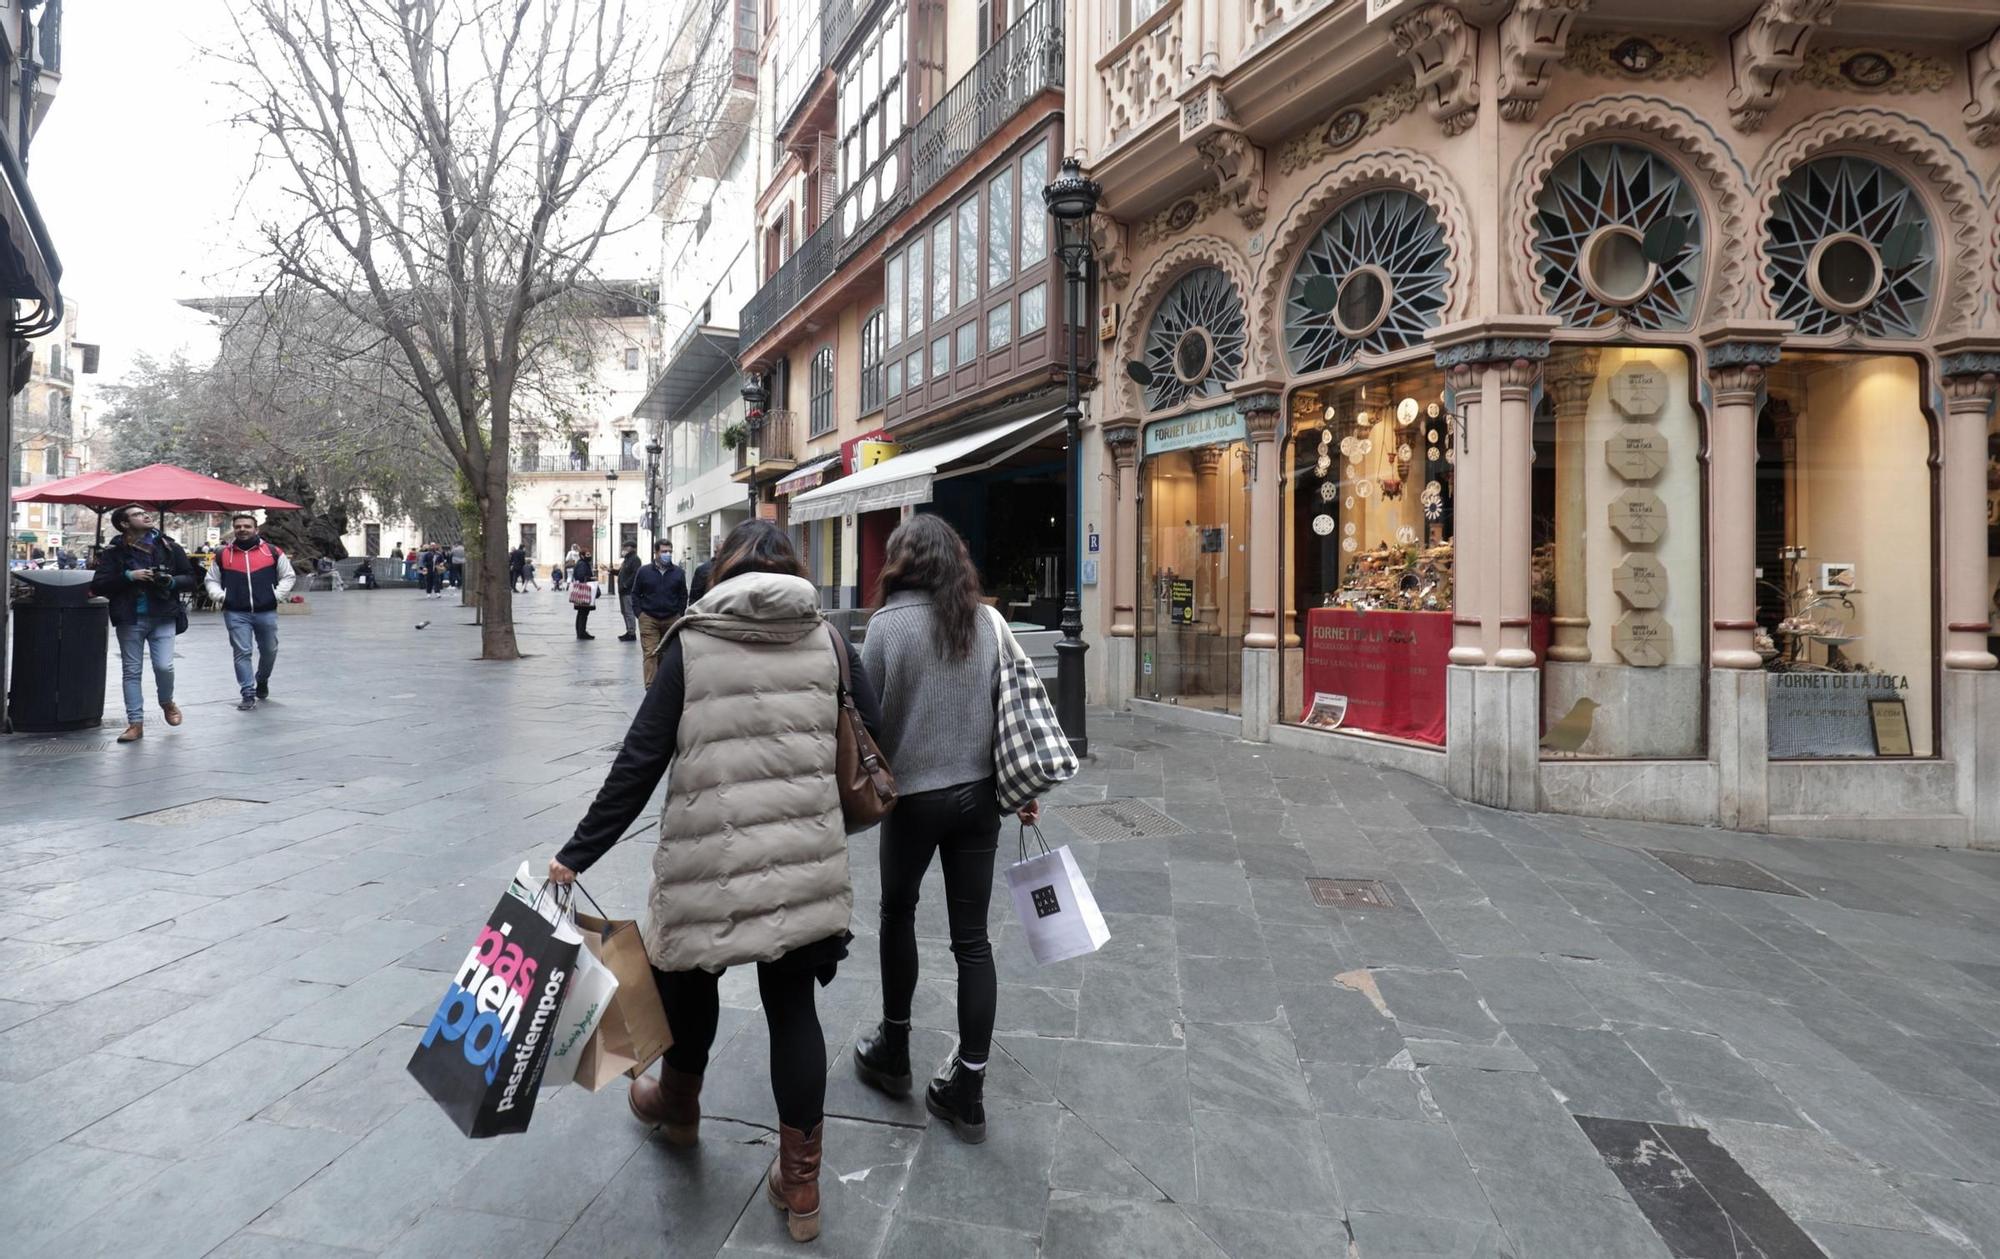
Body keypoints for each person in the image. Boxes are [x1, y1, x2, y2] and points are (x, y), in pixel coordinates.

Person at [547, 521, 880, 1244]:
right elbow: (872, 736)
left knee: (689, 979)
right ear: (794, 569)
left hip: (707, 863)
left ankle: (678, 1105)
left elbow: (637, 764)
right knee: (794, 1008)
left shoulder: (690, 644)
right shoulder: (830, 640)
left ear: (720, 572)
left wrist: (577, 852)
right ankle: (801, 1185)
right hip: (803, 860)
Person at [854, 514, 1036, 1145]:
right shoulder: (986, 622)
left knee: (897, 914)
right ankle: (969, 1091)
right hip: (978, 799)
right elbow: (1009, 707)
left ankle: (894, 1049)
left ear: (903, 561)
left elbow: (867, 725)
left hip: (911, 801)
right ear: (956, 561)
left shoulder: (885, 627)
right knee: (973, 943)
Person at [90, 505, 196, 744]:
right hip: (130, 617)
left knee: (164, 666)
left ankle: (166, 701)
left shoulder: (169, 547)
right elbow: (98, 585)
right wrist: (129, 577)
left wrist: (170, 582)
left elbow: (190, 578)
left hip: (163, 615)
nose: (146, 515)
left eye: (146, 512)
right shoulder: (114, 552)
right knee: (132, 671)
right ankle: (135, 723)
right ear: (124, 524)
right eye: (137, 514)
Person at [205, 512, 298, 710]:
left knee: (269, 650)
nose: (242, 529)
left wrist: (276, 595)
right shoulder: (223, 554)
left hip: (266, 611)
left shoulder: (272, 552)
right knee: (242, 652)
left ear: (256, 529)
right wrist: (221, 596)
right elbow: (211, 579)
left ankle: (262, 679)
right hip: (235, 612)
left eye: (247, 526)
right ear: (234, 529)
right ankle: (248, 693)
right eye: (238, 526)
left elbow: (288, 576)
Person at [631, 538, 688, 687]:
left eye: (669, 551)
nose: (667, 554)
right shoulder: (644, 571)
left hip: (671, 618)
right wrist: (640, 614)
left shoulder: (678, 572)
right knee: (651, 653)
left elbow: (683, 594)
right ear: (656, 552)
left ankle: (664, 686)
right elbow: (635, 593)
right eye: (663, 551)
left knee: (668, 654)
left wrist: (679, 614)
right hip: (649, 618)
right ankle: (651, 687)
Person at [614, 540, 642, 642]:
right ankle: (628, 631)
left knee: (629, 612)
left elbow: (635, 575)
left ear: (633, 548)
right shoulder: (627, 559)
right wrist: (612, 571)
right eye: (624, 547)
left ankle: (631, 633)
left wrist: (626, 585)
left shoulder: (635, 559)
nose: (624, 549)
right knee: (624, 612)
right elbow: (623, 572)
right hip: (622, 590)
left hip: (628, 591)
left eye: (626, 547)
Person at [570, 549, 597, 639]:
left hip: (581, 591)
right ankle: (581, 633)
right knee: (583, 612)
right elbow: (582, 577)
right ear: (582, 555)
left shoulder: (581, 563)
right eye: (588, 554)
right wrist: (591, 578)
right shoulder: (582, 564)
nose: (589, 556)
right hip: (584, 592)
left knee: (582, 612)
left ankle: (581, 632)